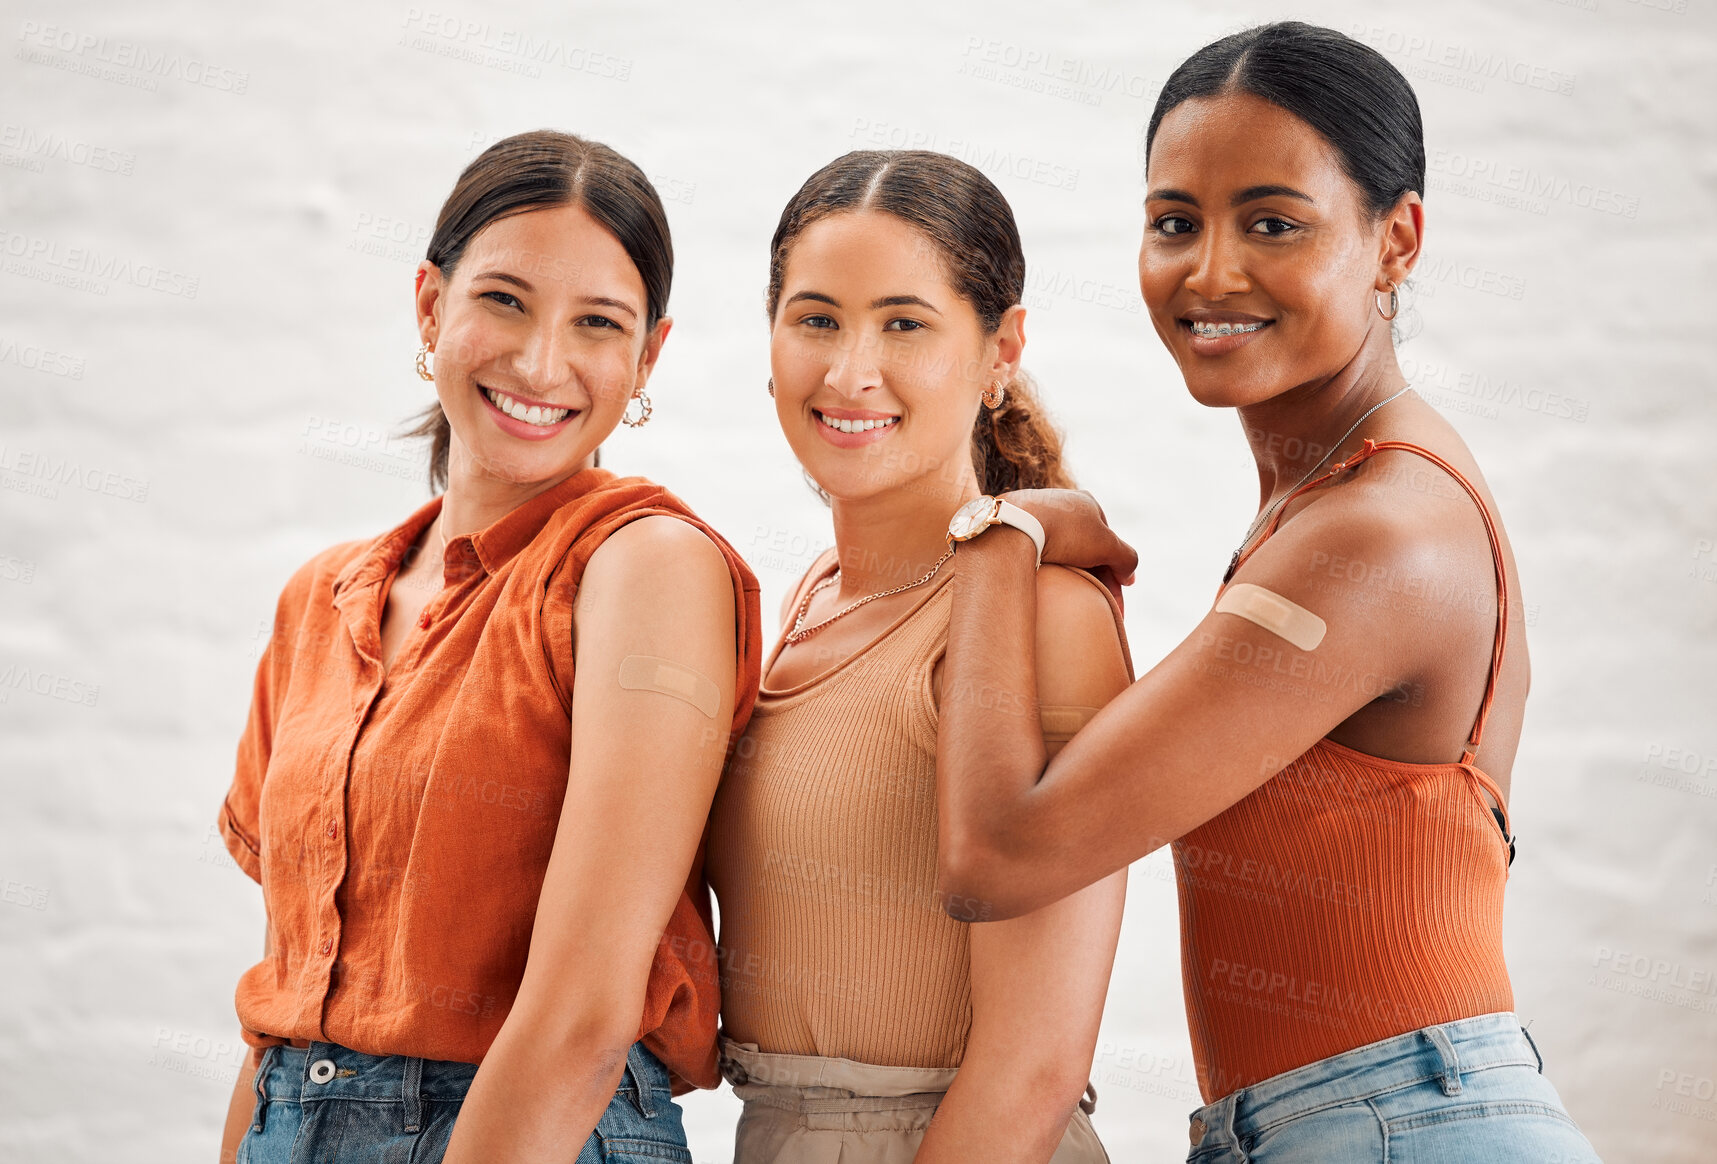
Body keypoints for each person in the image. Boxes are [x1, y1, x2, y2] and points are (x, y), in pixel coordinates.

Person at [928, 24, 1603, 1163]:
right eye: (1174, 222)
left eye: (1273, 222)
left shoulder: (1377, 535)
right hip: (1340, 1124)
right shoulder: (1328, 506)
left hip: (1403, 1125)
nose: (1210, 272)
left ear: (1398, 240)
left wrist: (1002, 531)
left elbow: (998, 857)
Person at [215, 130, 761, 1163]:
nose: (540, 363)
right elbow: (285, 996)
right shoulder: (319, 600)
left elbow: (583, 1017)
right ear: (431, 305)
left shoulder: (644, 565)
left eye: (598, 324)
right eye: (503, 300)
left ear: (647, 357)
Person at [704, 150, 1134, 1163]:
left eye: (904, 324)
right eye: (816, 320)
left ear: (1000, 351)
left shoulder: (1045, 617)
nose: (850, 371)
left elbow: (1033, 1072)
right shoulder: (807, 598)